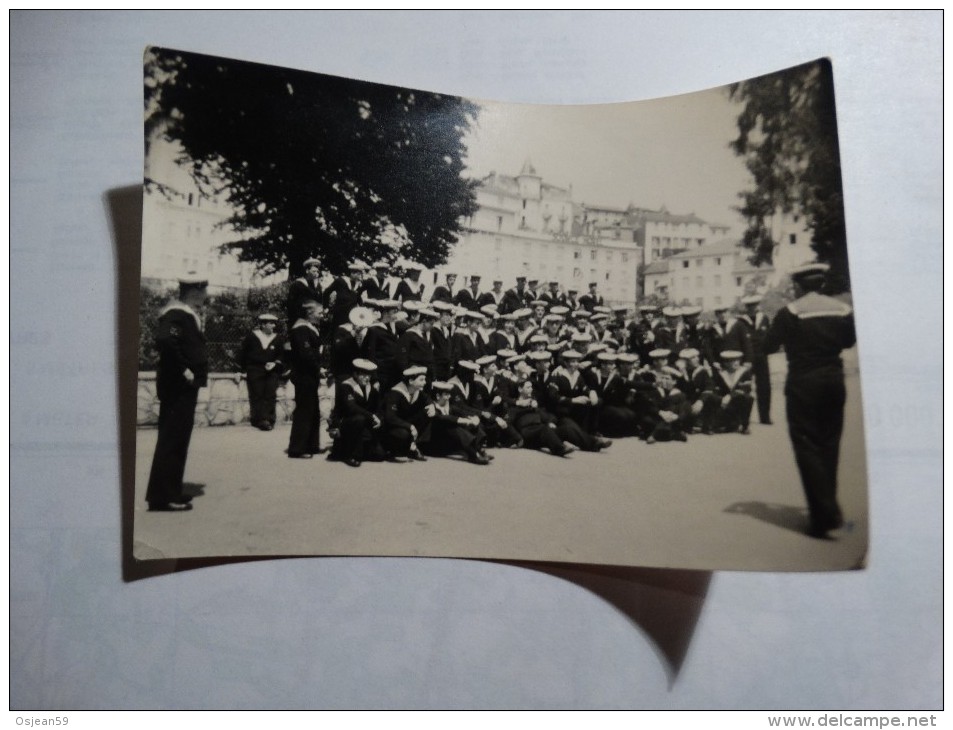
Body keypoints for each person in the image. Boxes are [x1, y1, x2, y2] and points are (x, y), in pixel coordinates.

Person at [763, 262, 856, 538]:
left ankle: (825, 513)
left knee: (806, 445)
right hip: (834, 380)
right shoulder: (843, 311)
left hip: (803, 383)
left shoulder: (790, 313)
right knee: (829, 444)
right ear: (822, 284)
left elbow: (768, 346)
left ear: (799, 286)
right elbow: (849, 341)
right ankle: (823, 513)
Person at [145, 273, 209, 512]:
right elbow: (165, 340)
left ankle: (170, 491)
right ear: (195, 291)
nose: (205, 296)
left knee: (178, 439)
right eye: (203, 291)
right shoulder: (177, 314)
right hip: (178, 386)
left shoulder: (185, 314)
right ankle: (163, 496)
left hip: (183, 387)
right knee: (172, 440)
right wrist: (184, 368)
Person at [287, 299, 325, 459]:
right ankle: (298, 448)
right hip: (304, 375)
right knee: (304, 410)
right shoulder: (301, 329)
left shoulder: (308, 328)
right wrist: (318, 368)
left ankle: (311, 445)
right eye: (319, 313)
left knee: (313, 409)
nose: (322, 316)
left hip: (310, 375)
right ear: (309, 313)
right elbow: (306, 354)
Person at [328, 358, 384, 467]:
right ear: (355, 374)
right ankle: (350, 454)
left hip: (363, 426)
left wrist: (379, 419)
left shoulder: (371, 389)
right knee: (359, 418)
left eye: (369, 375)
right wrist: (372, 416)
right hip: (346, 424)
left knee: (379, 455)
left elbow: (378, 408)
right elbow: (351, 407)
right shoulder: (346, 386)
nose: (366, 378)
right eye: (363, 375)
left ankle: (362, 449)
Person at [237, 313, 284, 431]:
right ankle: (258, 419)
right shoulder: (252, 337)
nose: (273, 326)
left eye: (274, 323)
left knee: (270, 393)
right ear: (263, 325)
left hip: (271, 370)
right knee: (257, 394)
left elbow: (282, 354)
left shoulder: (278, 338)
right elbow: (243, 354)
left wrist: (275, 363)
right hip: (255, 369)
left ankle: (268, 419)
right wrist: (239, 370)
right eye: (271, 323)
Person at [737, 293, 773, 424]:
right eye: (749, 306)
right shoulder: (740, 321)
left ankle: (765, 417)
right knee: (745, 387)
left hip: (762, 357)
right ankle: (744, 418)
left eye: (754, 305)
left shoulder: (764, 319)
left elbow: (769, 336)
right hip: (747, 358)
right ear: (746, 307)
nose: (752, 308)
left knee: (764, 387)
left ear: (758, 305)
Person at [285, 257, 323, 328]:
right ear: (307, 271)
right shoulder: (297, 285)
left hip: (315, 321)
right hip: (300, 322)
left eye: (317, 271)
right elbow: (291, 304)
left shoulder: (317, 286)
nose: (316, 274)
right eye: (314, 271)